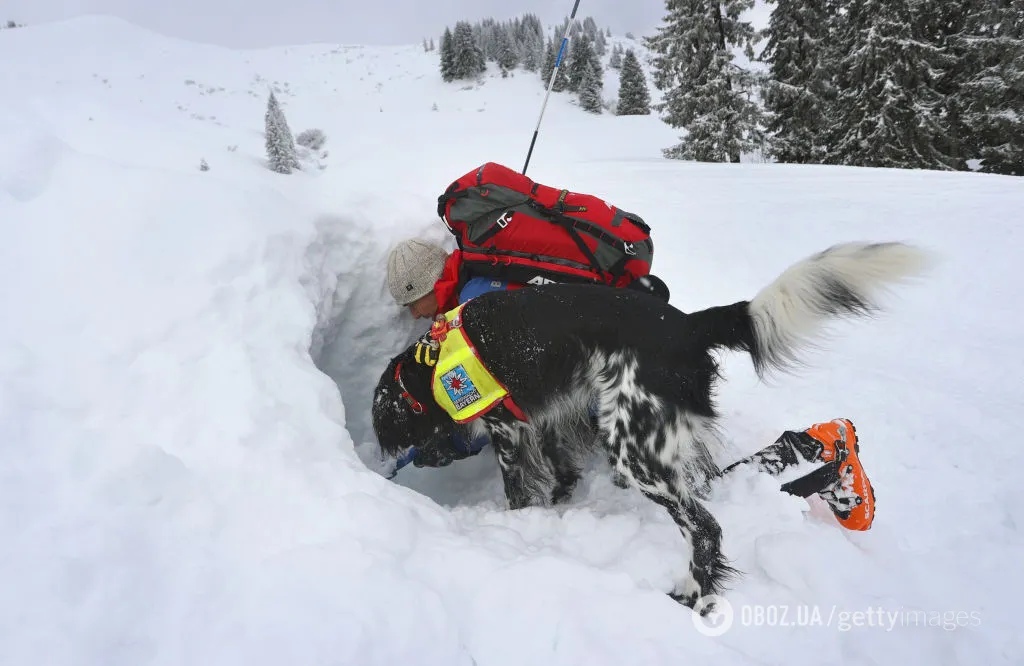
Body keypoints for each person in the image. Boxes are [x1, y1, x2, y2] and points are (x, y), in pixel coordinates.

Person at [382, 238, 876, 531]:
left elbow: (491, 406)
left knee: (689, 490)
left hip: (634, 377)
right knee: (656, 483)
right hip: (628, 364)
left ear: (426, 287)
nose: (411, 315)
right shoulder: (482, 285)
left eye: (411, 302)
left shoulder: (472, 304)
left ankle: (818, 452)